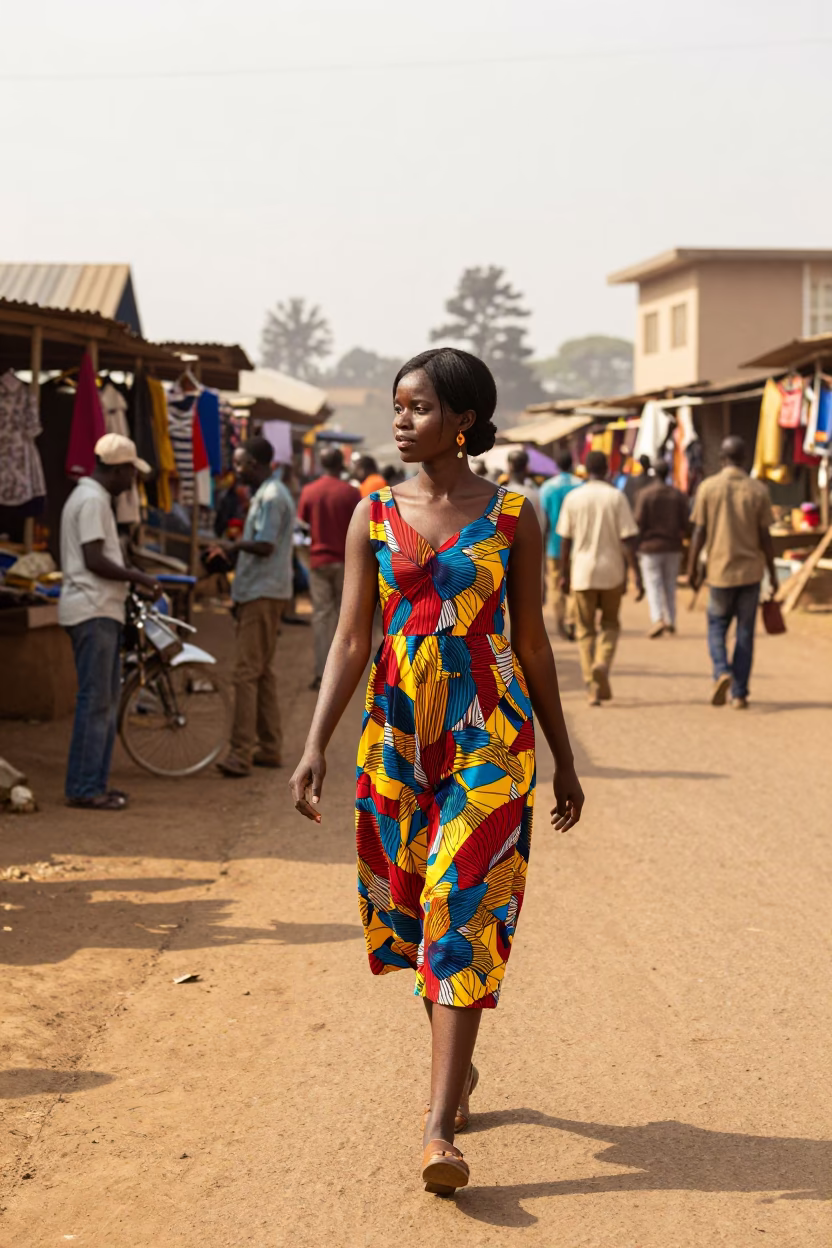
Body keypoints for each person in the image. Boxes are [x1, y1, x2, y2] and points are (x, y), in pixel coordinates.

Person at [289, 347, 584, 1195]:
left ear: (463, 419)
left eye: (417, 407)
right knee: (415, 912)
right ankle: (454, 1075)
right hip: (396, 743)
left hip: (489, 740)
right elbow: (351, 639)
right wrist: (315, 745)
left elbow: (530, 640)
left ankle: (435, 1128)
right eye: (397, 406)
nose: (401, 420)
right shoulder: (371, 513)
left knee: (464, 909)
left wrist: (563, 755)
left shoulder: (514, 514)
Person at [59, 434, 161, 811]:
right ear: (117, 469)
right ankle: (85, 787)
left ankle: (93, 784)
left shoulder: (94, 498)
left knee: (104, 700)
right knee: (96, 702)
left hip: (100, 608)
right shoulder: (91, 500)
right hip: (92, 608)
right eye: (131, 473)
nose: (133, 481)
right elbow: (93, 559)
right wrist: (138, 577)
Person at [218, 437, 295, 777]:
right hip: (261, 590)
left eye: (239, 464)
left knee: (246, 674)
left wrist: (231, 545)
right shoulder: (266, 494)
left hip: (262, 592)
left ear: (254, 463)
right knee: (261, 671)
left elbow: (264, 544)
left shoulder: (271, 497)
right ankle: (269, 746)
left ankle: (240, 753)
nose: (236, 471)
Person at [687, 435, 778, 709]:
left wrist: (692, 569)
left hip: (719, 571)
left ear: (722, 458)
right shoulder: (758, 490)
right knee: (745, 633)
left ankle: (721, 671)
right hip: (750, 573)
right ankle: (739, 693)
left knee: (717, 627)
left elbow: (699, 532)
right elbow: (766, 536)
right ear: (745, 457)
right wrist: (773, 572)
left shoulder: (707, 488)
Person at [557, 450, 643, 706]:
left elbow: (565, 540)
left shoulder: (573, 498)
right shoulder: (616, 497)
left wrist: (564, 574)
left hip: (582, 573)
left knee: (585, 631)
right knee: (610, 624)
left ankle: (591, 685)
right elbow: (628, 540)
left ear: (586, 469)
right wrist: (635, 574)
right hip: (612, 573)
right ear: (607, 469)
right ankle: (602, 663)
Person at [297, 447, 360, 691]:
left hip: (318, 562)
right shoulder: (351, 493)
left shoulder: (310, 491)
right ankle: (343, 674)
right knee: (346, 619)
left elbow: (302, 527)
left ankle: (322, 673)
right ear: (340, 464)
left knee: (322, 617)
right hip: (347, 564)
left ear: (322, 464)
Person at [634, 458, 690, 638]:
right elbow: (686, 523)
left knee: (653, 584)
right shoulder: (677, 495)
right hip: (673, 547)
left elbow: (638, 522)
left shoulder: (645, 494)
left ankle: (658, 618)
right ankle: (671, 620)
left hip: (650, 548)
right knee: (669, 585)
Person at [540, 450, 581, 640]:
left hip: (554, 546)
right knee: (574, 583)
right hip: (576, 545)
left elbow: (544, 520)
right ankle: (572, 620)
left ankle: (560, 621)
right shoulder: (580, 486)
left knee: (556, 584)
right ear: (572, 463)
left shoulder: (547, 488)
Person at [506, 449, 544, 530]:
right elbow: (541, 527)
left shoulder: (499, 495)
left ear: (509, 466)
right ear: (527, 467)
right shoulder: (534, 495)